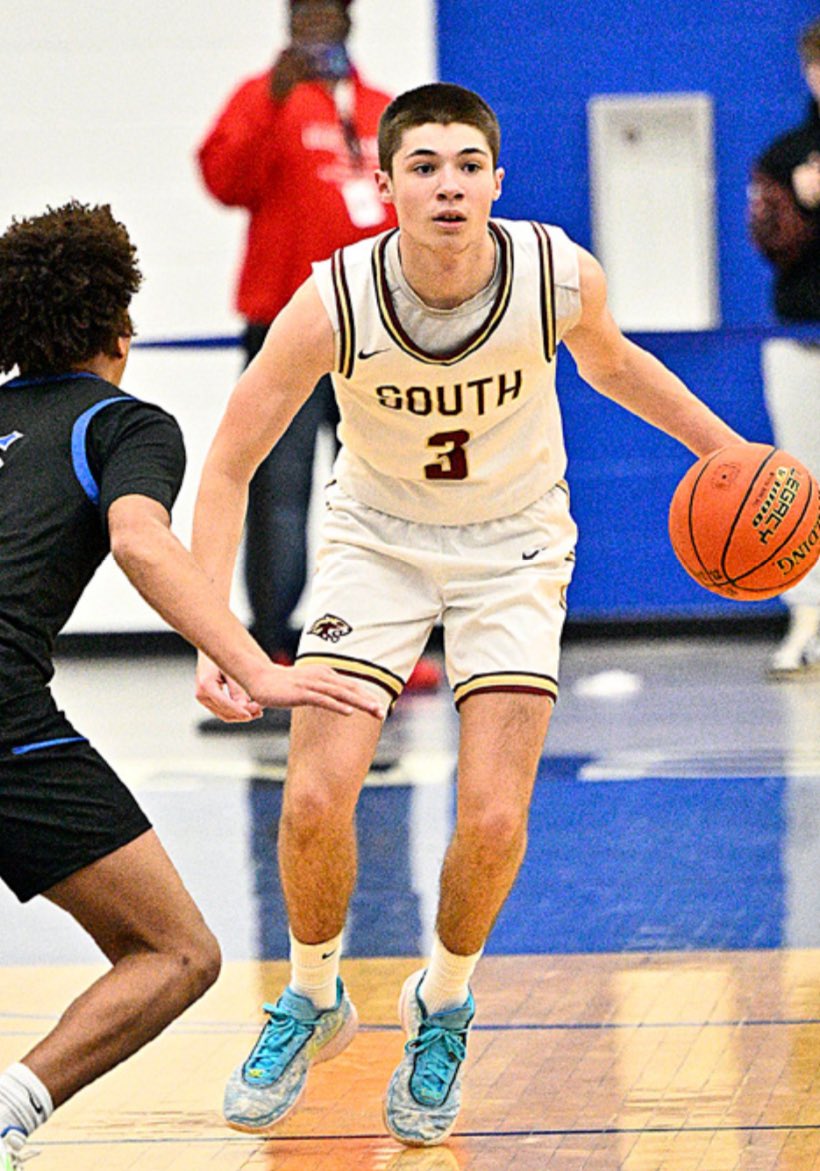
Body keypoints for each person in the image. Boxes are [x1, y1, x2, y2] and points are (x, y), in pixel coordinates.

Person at [191, 83, 745, 1147]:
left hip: (513, 547)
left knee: (491, 819)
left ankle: (441, 1004)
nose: (447, 184)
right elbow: (228, 464)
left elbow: (618, 367)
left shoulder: (553, 274)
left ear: (496, 179)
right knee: (313, 798)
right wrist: (222, 636)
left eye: (465, 164)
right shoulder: (333, 299)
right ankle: (312, 994)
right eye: (424, 165)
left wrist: (728, 455)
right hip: (375, 546)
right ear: (386, 182)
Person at [0, 201, 383, 1171]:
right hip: (5, 712)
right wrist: (254, 660)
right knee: (176, 951)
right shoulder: (121, 422)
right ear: (120, 331)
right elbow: (140, 539)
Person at [196, 0, 441, 719]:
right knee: (278, 490)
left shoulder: (379, 109)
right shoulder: (261, 97)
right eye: (301, 15)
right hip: (283, 325)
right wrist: (272, 100)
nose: (313, 28)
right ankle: (269, 645)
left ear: (347, 22)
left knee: (391, 487)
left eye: (325, 15)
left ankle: (388, 650)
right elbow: (226, 180)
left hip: (378, 328)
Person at [749, 16, 820, 677]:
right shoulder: (785, 154)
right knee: (800, 483)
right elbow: (768, 239)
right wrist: (803, 207)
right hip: (803, 338)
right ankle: (808, 621)